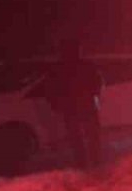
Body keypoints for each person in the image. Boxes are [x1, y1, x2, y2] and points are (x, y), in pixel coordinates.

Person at [45, 38, 104, 170]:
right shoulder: (86, 66)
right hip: (84, 106)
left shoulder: (59, 68)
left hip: (73, 107)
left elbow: (51, 89)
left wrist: (55, 104)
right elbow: (98, 84)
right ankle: (94, 163)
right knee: (90, 136)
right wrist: (95, 97)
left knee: (79, 138)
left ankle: (84, 164)